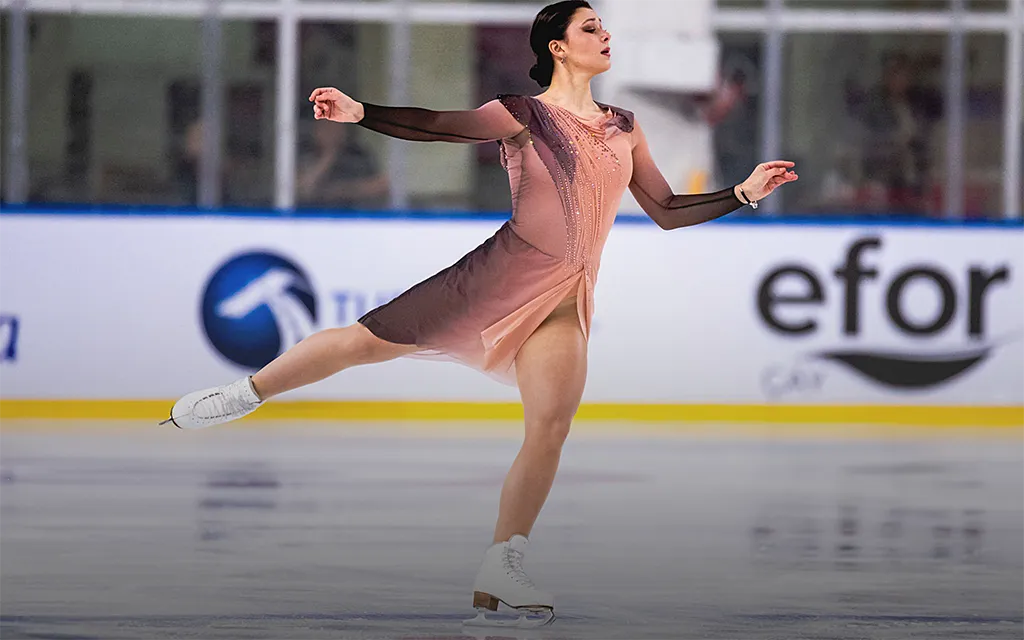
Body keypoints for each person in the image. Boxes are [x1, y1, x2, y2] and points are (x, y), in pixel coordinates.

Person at [163, 0, 797, 629]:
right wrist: (362, 113)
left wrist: (742, 193)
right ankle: (245, 393)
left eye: (604, 26)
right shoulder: (523, 114)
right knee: (365, 341)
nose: (605, 34)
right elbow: (440, 125)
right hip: (497, 277)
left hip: (565, 296)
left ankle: (503, 563)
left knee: (550, 426)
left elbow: (666, 209)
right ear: (557, 47)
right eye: (590, 28)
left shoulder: (625, 126)